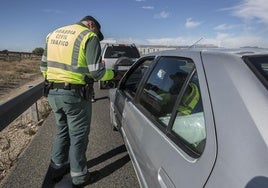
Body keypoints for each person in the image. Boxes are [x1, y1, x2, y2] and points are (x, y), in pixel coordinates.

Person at [40, 15, 114, 187]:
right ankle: (80, 176)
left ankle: (57, 167)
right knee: (78, 135)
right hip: (74, 95)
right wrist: (113, 74)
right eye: (96, 31)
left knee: (62, 130)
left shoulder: (53, 34)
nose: (96, 34)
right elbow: (97, 73)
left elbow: (43, 67)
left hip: (52, 92)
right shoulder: (88, 36)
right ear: (91, 24)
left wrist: (56, 82)